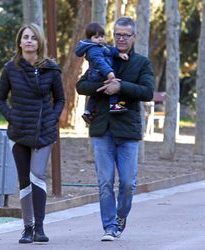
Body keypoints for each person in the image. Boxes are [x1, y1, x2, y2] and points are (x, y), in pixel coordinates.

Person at [76, 17, 154, 241]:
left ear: (133, 37)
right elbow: (81, 86)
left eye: (125, 35)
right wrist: (102, 88)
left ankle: (121, 216)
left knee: (128, 183)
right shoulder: (100, 55)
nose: (121, 39)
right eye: (117, 34)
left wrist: (121, 86)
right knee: (105, 182)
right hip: (102, 130)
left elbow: (147, 91)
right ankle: (109, 226)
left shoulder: (141, 63)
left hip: (127, 131)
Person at [0, 23, 65, 244]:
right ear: (19, 42)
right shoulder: (10, 68)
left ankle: (40, 228)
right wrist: (12, 116)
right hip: (18, 132)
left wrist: (52, 118)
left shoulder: (51, 69)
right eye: (25, 37)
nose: (29, 41)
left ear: (39, 42)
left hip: (44, 132)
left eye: (33, 38)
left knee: (37, 175)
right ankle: (27, 228)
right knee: (24, 180)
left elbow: (60, 98)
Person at [75, 22, 129, 124]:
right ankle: (114, 105)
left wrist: (119, 54)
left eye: (102, 36)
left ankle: (88, 111)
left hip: (99, 73)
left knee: (96, 94)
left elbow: (111, 50)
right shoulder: (93, 50)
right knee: (113, 86)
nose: (100, 39)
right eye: (96, 37)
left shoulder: (102, 46)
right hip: (98, 73)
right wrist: (109, 73)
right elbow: (100, 62)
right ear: (90, 39)